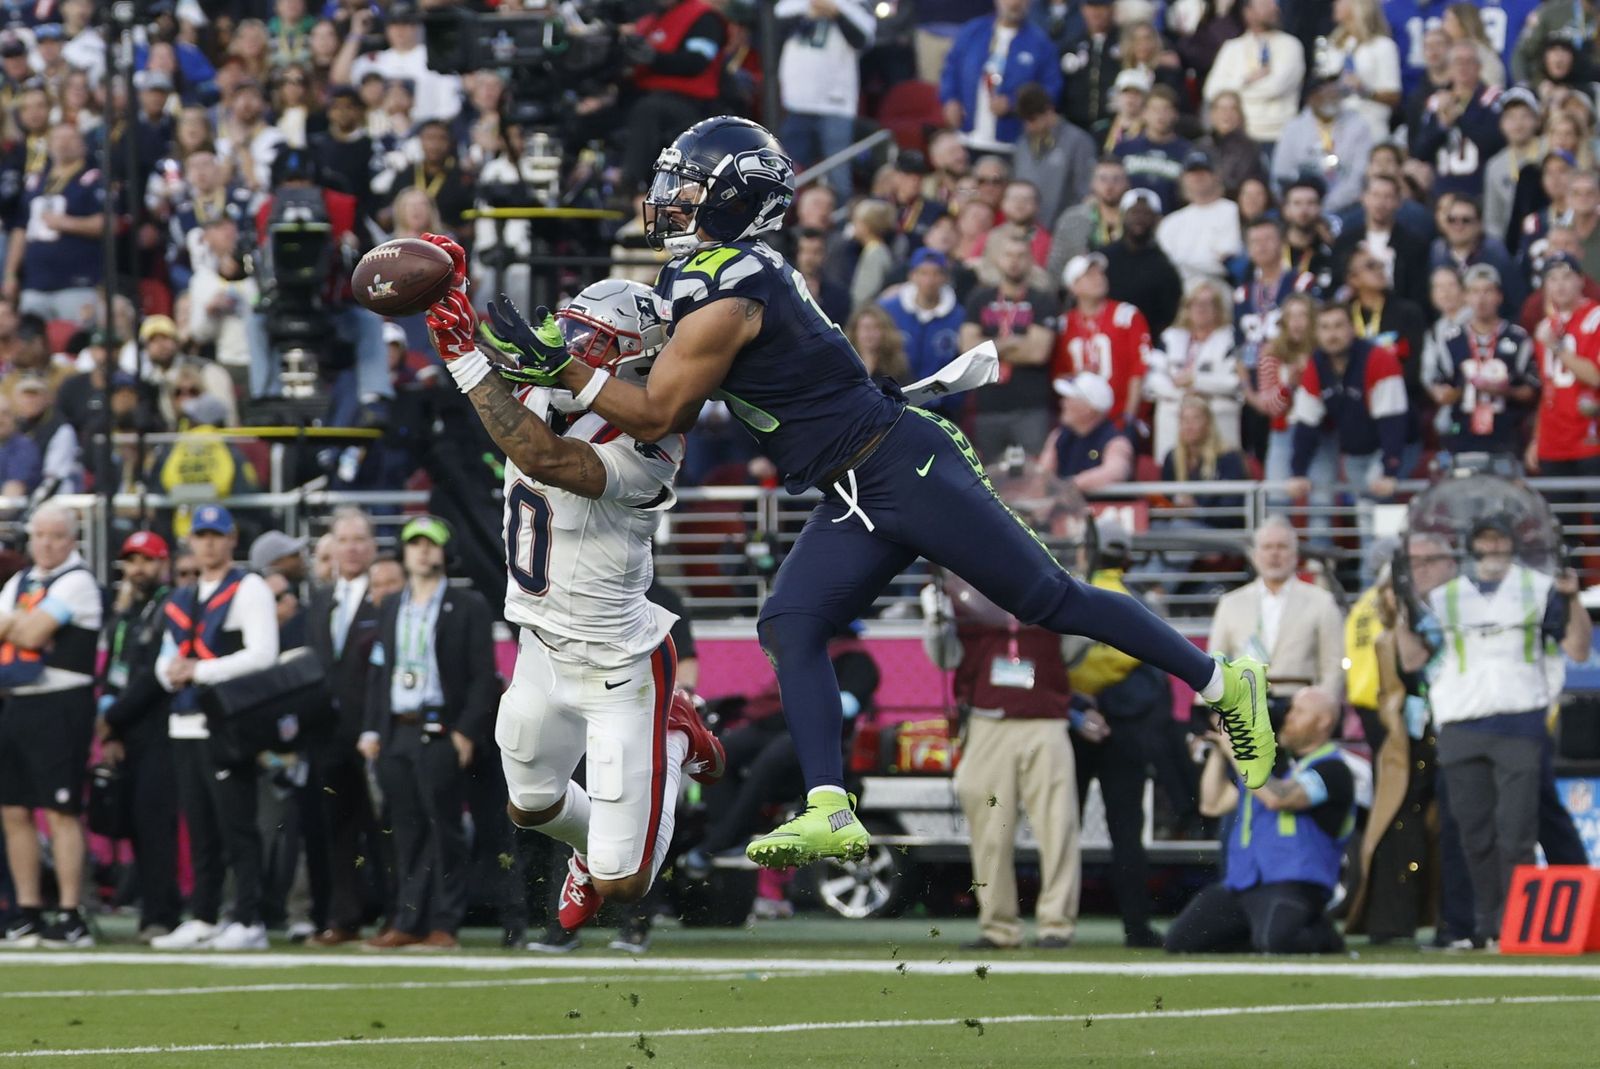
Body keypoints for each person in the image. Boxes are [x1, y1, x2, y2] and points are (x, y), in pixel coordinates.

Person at [470, 116, 1278, 869]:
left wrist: (568, 369)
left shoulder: (729, 290)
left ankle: (1218, 679)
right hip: (853, 486)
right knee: (789, 621)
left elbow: (661, 408)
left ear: (729, 197)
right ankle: (831, 807)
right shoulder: (708, 274)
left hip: (902, 466)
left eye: (686, 182)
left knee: (1049, 599)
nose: (668, 195)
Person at [422, 263, 727, 939]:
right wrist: (448, 298)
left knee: (625, 882)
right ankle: (590, 845)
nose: (568, 345)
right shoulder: (552, 380)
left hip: (619, 665)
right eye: (572, 330)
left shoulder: (654, 444)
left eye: (590, 339)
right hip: (539, 646)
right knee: (529, 807)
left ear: (632, 359)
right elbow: (497, 357)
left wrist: (465, 358)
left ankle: (676, 734)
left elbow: (547, 459)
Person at [1396, 518, 1591, 946]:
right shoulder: (1444, 597)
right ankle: (1489, 926)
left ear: (1513, 546)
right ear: (1473, 548)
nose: (1493, 549)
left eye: (1500, 541)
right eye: (1485, 542)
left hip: (1520, 720)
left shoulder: (1539, 588)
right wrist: (1402, 611)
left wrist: (1572, 599)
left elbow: (1577, 648)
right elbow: (1411, 660)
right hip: (1460, 722)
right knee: (1473, 833)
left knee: (1516, 831)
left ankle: (1518, 925)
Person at [922, 551, 1081, 951]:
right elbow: (945, 657)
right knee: (989, 829)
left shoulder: (1049, 586)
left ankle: (1056, 924)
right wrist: (935, 622)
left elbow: (1076, 650)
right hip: (988, 720)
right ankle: (998, 925)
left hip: (1045, 718)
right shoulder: (963, 596)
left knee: (1058, 825)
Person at [359, 517, 496, 950]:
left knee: (445, 829)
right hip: (398, 729)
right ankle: (406, 919)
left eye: (430, 544)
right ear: (403, 553)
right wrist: (373, 728)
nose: (422, 551)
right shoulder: (392, 605)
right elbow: (380, 674)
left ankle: (444, 922)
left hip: (441, 728)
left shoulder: (467, 605)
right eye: (414, 544)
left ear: (443, 551)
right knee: (405, 830)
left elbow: (482, 677)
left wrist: (465, 733)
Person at [150, 505, 279, 951]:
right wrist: (172, 674)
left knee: (236, 824)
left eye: (215, 535)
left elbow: (264, 654)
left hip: (226, 724)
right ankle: (204, 914)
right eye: (200, 535)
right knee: (200, 828)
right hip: (184, 722)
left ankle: (249, 916)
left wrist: (198, 672)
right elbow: (165, 661)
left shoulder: (249, 587)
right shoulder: (182, 595)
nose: (207, 543)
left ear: (231, 539)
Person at [1166, 686, 1353, 954]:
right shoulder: (1269, 765)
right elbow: (1212, 803)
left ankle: (1324, 936)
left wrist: (1236, 746)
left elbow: (1278, 798)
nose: (1288, 717)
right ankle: (1261, 933)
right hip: (1243, 882)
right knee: (1181, 941)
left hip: (1294, 882)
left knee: (1277, 942)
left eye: (1299, 712)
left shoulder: (1333, 769)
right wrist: (1220, 746)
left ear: (1324, 721)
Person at [0, 506, 103, 948]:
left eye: (56, 535)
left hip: (61, 703)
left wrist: (15, 626)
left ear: (72, 540)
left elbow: (31, 634)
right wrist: (19, 625)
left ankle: (68, 910)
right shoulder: (18, 582)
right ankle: (28, 910)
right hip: (17, 701)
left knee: (61, 810)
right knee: (13, 809)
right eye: (39, 535)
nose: (46, 543)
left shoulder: (78, 582)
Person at [95, 531, 181, 945]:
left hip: (159, 728)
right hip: (128, 729)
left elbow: (154, 677)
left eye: (146, 560)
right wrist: (110, 724)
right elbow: (114, 670)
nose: (138, 569)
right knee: (136, 824)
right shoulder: (126, 614)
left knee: (154, 825)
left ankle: (163, 913)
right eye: (131, 561)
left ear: (162, 564)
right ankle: (150, 908)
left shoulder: (169, 607)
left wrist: (112, 716)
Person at [304, 506, 381, 946]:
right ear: (331, 548)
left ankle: (397, 918)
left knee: (384, 830)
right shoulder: (320, 600)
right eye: (344, 540)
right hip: (326, 734)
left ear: (371, 547)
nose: (351, 548)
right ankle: (343, 917)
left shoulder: (387, 595)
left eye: (359, 540)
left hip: (373, 733)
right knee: (335, 831)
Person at [1208, 516, 1347, 707]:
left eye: (1282, 547)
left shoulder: (1322, 601)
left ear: (1295, 554)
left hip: (1300, 711)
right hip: (1244, 710)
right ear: (1255, 555)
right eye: (1267, 547)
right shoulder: (1230, 604)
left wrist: (1320, 705)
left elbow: (1334, 665)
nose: (1274, 554)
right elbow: (1216, 663)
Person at [1286, 302, 1409, 507]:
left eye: (1338, 326)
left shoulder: (1378, 359)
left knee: (1375, 505)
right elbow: (1306, 422)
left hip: (1393, 445)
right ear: (1316, 333)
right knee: (1365, 514)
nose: (1332, 334)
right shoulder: (1316, 365)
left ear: (1352, 328)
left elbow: (1392, 421)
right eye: (1325, 327)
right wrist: (1298, 472)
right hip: (1355, 451)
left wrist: (1390, 470)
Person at [959, 232, 1060, 457]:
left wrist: (989, 347)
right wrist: (1014, 342)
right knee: (989, 482)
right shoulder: (979, 298)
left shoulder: (1043, 300)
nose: (1014, 261)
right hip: (988, 407)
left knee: (1033, 480)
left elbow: (1038, 353)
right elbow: (968, 350)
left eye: (1021, 255)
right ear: (997, 259)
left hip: (1031, 408)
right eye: (1008, 255)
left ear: (1031, 260)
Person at [2, 124, 104, 323]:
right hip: (35, 283)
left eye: (70, 138)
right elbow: (20, 230)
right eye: (58, 138)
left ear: (83, 145)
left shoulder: (93, 179)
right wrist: (10, 274)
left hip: (76, 282)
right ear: (49, 145)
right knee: (32, 344)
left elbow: (106, 223)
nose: (64, 144)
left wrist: (66, 223)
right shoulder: (35, 182)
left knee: (76, 341)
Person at [774, 0, 874, 200]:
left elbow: (862, 40)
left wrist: (836, 13)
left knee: (837, 173)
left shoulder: (856, 6)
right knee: (787, 172)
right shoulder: (794, 4)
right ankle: (785, 224)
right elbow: (774, 28)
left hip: (835, 103)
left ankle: (841, 224)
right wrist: (809, 13)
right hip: (797, 102)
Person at [1433, 264, 1538, 455]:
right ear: (1465, 297)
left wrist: (1507, 391)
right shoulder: (1451, 340)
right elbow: (1440, 387)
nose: (1481, 299)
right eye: (1474, 291)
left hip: (1506, 433)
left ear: (1499, 296)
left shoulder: (1518, 338)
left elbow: (1531, 391)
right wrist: (1455, 391)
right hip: (1462, 433)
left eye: (1488, 291)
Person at [938, 0, 1061, 149]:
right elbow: (950, 69)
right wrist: (950, 99)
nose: (1014, 3)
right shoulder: (972, 32)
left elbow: (1051, 88)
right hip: (967, 138)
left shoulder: (1041, 43)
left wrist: (1014, 103)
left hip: (1012, 144)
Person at [1145, 280, 1242, 461]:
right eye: (1195, 303)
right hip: (1174, 413)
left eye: (1208, 303)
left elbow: (1234, 381)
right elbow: (1153, 378)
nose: (1200, 309)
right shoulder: (1170, 337)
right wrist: (1186, 396)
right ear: (1186, 308)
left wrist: (1196, 381)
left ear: (1219, 308)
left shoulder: (1230, 338)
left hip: (1218, 416)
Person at [1054, 250, 1151, 430]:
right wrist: (1077, 375)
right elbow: (1058, 375)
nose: (1098, 278)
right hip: (1082, 424)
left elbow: (1139, 370)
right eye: (1089, 275)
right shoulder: (1064, 324)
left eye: (1100, 273)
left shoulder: (1126, 315)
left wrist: (1129, 416)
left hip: (1120, 417)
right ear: (1074, 286)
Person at [1526, 252, 1600, 478]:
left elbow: (1596, 377)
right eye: (1552, 279)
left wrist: (1556, 347)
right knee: (1559, 513)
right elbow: (1546, 388)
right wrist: (1537, 439)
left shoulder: (1596, 317)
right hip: (1553, 442)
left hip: (1591, 438)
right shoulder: (1546, 326)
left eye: (1566, 277)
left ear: (1581, 280)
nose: (1560, 285)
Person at [1201, 0, 1307, 147]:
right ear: (1248, 12)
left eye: (1274, 4)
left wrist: (1234, 93)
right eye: (1266, 4)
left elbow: (1275, 88)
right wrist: (1245, 80)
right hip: (1239, 136)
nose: (1274, 8)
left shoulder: (1290, 46)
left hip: (1277, 137)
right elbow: (1211, 91)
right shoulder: (1232, 48)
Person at [1410, 43, 1507, 203]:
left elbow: (1495, 142)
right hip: (1442, 190)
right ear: (1449, 68)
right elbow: (1420, 151)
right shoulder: (1436, 101)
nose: (1463, 67)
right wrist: (1441, 125)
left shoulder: (1493, 98)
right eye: (1457, 62)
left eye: (1469, 62)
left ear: (1479, 67)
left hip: (1480, 188)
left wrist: (1460, 118)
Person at [1270, 73, 1374, 214]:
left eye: (1334, 92)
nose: (1330, 96)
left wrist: (1328, 205)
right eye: (1324, 92)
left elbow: (1358, 176)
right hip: (1301, 206)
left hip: (1347, 205)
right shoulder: (1294, 127)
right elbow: (1282, 173)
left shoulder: (1358, 125)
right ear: (1311, 98)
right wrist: (1305, 205)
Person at [1012, 83, 1095, 229]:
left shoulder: (1078, 141)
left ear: (1049, 111)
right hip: (1027, 229)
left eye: (1032, 119)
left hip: (1064, 228)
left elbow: (1085, 190)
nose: (1028, 126)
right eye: (1024, 121)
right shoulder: (1022, 143)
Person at [1101, 188, 1182, 336]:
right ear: (1123, 216)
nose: (1139, 219)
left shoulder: (1164, 266)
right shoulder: (1103, 257)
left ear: (1156, 220)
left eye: (1146, 214)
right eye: (1134, 213)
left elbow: (1168, 316)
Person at [1156, 152, 1243, 287]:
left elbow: (1227, 256)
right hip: (1179, 287)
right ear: (1183, 178)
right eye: (1192, 172)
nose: (1198, 177)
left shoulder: (1232, 210)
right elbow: (1164, 263)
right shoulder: (1171, 222)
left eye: (1204, 171)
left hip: (1220, 284)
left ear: (1216, 175)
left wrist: (1182, 262)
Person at [1040, 371, 1134, 489]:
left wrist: (1072, 485)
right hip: (1066, 505)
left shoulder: (1115, 441)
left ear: (1088, 409)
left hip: (1102, 505)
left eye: (1069, 399)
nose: (1063, 403)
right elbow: (1043, 474)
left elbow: (1116, 472)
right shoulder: (1058, 436)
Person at [1046, 156, 1128, 279]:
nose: (1109, 185)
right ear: (1092, 183)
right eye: (1103, 179)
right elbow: (1056, 264)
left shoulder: (1136, 221)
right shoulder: (1072, 219)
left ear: (1127, 183)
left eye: (1116, 179)